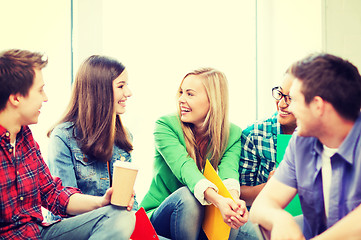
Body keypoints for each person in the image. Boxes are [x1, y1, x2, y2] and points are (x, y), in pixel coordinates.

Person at [0, 49, 135, 239]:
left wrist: (102, 202)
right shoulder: (63, 136)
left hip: (39, 234)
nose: (45, 97)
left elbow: (53, 193)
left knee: (120, 216)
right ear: (16, 98)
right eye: (40, 90)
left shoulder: (25, 139)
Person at [250, 53, 361, 239]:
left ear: (318, 105)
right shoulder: (301, 142)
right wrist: (280, 220)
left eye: (294, 99)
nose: (289, 108)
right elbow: (261, 206)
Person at [140, 68, 248, 240]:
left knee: (232, 213)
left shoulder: (233, 134)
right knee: (187, 197)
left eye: (190, 94)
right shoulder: (165, 125)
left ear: (213, 100)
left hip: (199, 219)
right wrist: (219, 201)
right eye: (181, 93)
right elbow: (185, 169)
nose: (181, 99)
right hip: (158, 216)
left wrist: (233, 202)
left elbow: (229, 174)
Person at [46, 55, 137, 210]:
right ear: (100, 91)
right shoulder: (62, 137)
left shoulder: (123, 136)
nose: (129, 93)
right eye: (121, 86)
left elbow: (129, 204)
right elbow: (64, 206)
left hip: (118, 224)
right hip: (83, 229)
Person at [239, 71, 297, 206]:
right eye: (280, 94)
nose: (281, 104)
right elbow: (238, 194)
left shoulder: (322, 137)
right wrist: (269, 186)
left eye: (291, 98)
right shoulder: (254, 134)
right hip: (263, 216)